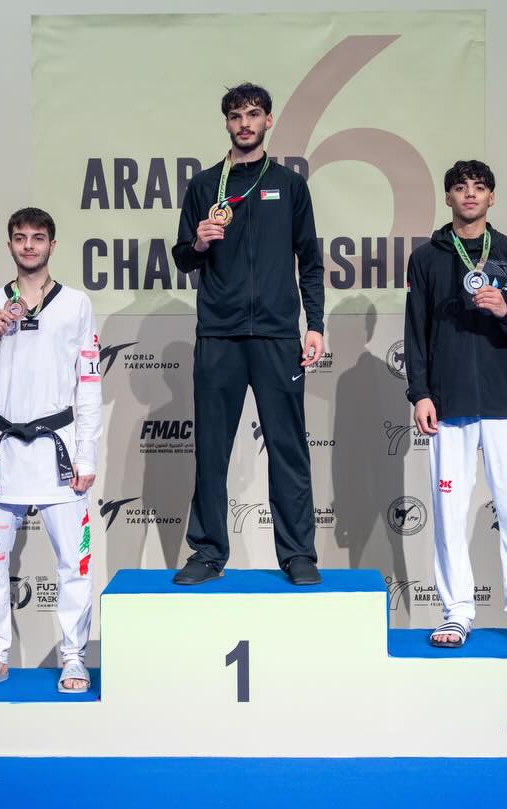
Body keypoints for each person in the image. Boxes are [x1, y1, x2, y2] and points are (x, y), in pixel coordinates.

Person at [170, 82, 325, 586]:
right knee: (211, 450)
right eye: (236, 116)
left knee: (288, 447)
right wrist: (197, 242)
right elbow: (182, 257)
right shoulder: (204, 186)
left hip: (278, 335)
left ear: (268, 121)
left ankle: (297, 554)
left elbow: (310, 261)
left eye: (253, 114)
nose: (244, 123)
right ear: (227, 123)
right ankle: (208, 552)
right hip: (219, 333)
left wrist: (315, 324)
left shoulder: (290, 185)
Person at [403, 160, 507, 649]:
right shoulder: (427, 258)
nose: (470, 194)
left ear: (491, 197)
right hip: (448, 402)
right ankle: (456, 613)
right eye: (461, 187)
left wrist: (505, 310)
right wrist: (421, 393)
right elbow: (415, 332)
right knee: (449, 512)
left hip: (505, 399)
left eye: (480, 187)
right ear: (448, 197)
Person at [0, 208, 101, 693]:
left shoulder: (76, 304)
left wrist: (87, 455)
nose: (29, 246)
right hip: (2, 453)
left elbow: (88, 384)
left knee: (75, 565)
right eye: (20, 238)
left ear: (52, 245)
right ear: (10, 245)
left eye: (38, 238)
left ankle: (74, 657)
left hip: (58, 452)